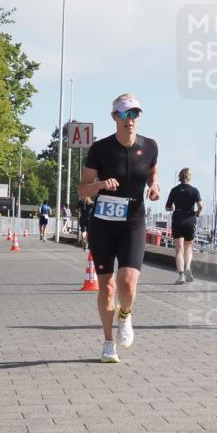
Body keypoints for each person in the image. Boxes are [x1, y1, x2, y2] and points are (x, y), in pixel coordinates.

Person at [77, 93, 159, 363]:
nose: (130, 120)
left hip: (133, 219)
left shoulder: (149, 146)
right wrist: (100, 185)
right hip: (103, 222)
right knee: (107, 288)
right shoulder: (100, 149)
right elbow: (82, 189)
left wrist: (154, 186)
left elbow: (151, 171)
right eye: (124, 114)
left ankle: (125, 315)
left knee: (128, 281)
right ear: (114, 117)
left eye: (134, 114)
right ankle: (108, 342)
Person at [165, 168, 204, 284]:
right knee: (188, 247)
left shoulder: (174, 190)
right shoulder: (194, 190)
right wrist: (198, 212)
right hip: (190, 218)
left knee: (179, 249)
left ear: (180, 177)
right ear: (189, 177)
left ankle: (181, 276)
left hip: (178, 217)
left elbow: (167, 207)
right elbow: (201, 205)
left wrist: (171, 208)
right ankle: (187, 268)